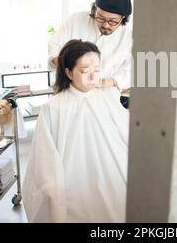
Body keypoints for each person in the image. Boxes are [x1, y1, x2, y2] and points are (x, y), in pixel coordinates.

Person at [23, 40, 129, 223]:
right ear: (69, 72)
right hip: (73, 183)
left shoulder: (109, 97)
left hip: (112, 175)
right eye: (85, 70)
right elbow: (44, 157)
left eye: (97, 70)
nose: (92, 77)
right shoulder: (53, 108)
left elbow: (127, 135)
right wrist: (53, 189)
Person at [48, 0, 133, 104]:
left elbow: (131, 72)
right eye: (100, 18)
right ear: (94, 10)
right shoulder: (76, 20)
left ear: (123, 18)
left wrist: (102, 82)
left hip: (105, 100)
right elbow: (54, 49)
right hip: (69, 95)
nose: (106, 25)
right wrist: (71, 71)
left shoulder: (128, 37)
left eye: (113, 21)